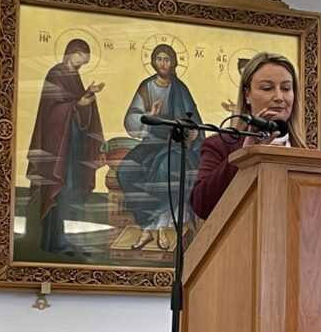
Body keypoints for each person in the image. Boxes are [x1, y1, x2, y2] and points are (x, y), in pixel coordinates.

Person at [191, 51, 305, 219]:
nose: (279, 97)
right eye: (267, 88)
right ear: (247, 95)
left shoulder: (306, 153)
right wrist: (245, 155)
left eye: (286, 88)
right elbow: (202, 205)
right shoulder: (219, 145)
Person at [118, 44, 203, 250]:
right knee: (126, 170)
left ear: (173, 62)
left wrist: (189, 133)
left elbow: (194, 123)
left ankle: (161, 227)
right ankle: (147, 228)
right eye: (159, 59)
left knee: (166, 170)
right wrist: (150, 116)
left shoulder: (180, 89)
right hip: (151, 142)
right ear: (153, 62)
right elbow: (131, 119)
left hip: (175, 144)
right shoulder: (146, 87)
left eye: (166, 59)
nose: (163, 63)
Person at [26, 38, 105, 257]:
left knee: (69, 190)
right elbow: (52, 111)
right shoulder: (56, 74)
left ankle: (65, 239)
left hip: (72, 145)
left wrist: (87, 95)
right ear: (72, 52)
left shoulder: (74, 76)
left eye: (85, 62)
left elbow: (76, 105)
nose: (82, 64)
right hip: (57, 147)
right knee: (58, 189)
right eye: (81, 59)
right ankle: (55, 241)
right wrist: (78, 104)